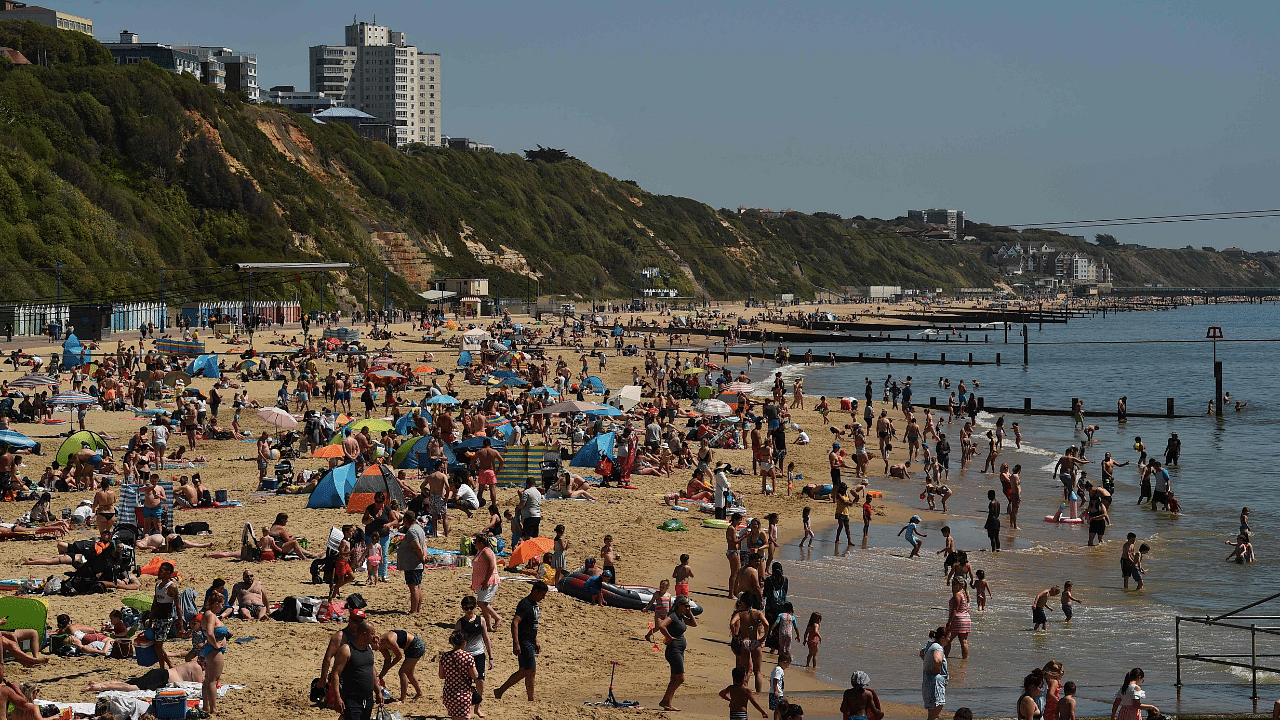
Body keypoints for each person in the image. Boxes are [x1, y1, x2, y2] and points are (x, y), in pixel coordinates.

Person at [493, 580, 548, 702]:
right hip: (523, 641)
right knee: (531, 670)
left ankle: (500, 691)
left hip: (530, 640)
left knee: (524, 671)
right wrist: (516, 643)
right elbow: (515, 623)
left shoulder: (535, 605)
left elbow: (532, 625)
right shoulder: (525, 604)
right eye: (542, 595)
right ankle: (531, 699)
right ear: (535, 591)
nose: (543, 598)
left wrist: (536, 641)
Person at [330, 620, 384, 720]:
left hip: (368, 699)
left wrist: (378, 691)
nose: (375, 636)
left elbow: (372, 670)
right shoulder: (346, 650)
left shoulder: (368, 648)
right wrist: (337, 698)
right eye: (372, 634)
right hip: (352, 699)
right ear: (364, 634)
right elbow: (335, 674)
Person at [657, 595, 698, 711]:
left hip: (679, 650)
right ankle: (665, 700)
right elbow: (661, 626)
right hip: (673, 650)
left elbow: (694, 624)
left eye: (688, 606)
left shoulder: (680, 616)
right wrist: (669, 637)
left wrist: (689, 612)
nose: (687, 608)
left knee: (674, 677)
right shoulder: (673, 616)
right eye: (686, 606)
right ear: (679, 605)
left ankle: (668, 703)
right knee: (680, 678)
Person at [457, 596, 492, 717]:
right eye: (466, 608)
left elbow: (486, 638)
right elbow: (456, 642)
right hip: (465, 656)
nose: (469, 610)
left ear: (475, 607)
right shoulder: (460, 623)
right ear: (463, 608)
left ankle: (477, 708)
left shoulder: (481, 620)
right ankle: (467, 709)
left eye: (471, 608)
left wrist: (491, 657)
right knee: (465, 684)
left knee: (480, 682)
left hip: (479, 654)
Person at [83, 658, 205, 692]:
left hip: (161, 673)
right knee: (132, 688)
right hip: (163, 678)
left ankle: (99, 684)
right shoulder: (197, 667)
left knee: (131, 683)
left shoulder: (191, 663)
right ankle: (100, 687)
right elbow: (200, 685)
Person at [200, 592, 230, 716]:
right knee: (213, 680)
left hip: (210, 649)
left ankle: (207, 706)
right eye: (222, 604)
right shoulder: (211, 615)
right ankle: (213, 708)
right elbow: (210, 632)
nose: (222, 607)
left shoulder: (207, 614)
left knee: (207, 679)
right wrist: (216, 645)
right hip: (214, 650)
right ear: (216, 603)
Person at [439, 628, 479, 719]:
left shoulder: (444, 656)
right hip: (463, 694)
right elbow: (475, 675)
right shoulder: (468, 657)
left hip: (448, 694)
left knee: (454, 717)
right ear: (464, 643)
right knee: (464, 716)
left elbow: (441, 676)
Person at [378, 629, 425, 703]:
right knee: (409, 673)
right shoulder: (380, 645)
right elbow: (387, 660)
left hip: (416, 645)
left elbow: (399, 656)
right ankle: (419, 693)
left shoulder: (388, 640)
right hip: (409, 648)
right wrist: (381, 675)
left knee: (402, 672)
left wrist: (389, 667)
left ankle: (403, 698)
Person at [471, 534, 502, 630]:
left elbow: (492, 566)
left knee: (482, 603)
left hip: (489, 581)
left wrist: (486, 580)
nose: (474, 544)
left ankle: (497, 617)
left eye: (475, 542)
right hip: (482, 581)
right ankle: (489, 626)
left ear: (481, 543)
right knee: (484, 605)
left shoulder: (486, 551)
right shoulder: (480, 551)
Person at [398, 511, 427, 614]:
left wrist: (422, 558)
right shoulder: (419, 528)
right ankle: (417, 609)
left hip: (413, 563)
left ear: (406, 520)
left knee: (413, 587)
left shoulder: (412, 530)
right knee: (418, 586)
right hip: (417, 562)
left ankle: (414, 610)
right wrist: (424, 557)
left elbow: (417, 547)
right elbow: (424, 546)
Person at [921, 626, 949, 720]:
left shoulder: (930, 645)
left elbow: (921, 653)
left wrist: (927, 663)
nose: (949, 640)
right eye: (948, 638)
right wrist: (937, 669)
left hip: (928, 684)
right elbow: (937, 660)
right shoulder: (938, 647)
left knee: (933, 715)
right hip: (936, 684)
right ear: (943, 638)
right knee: (935, 713)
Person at [770, 653, 791, 720]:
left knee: (777, 709)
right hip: (776, 692)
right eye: (788, 664)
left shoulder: (776, 669)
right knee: (779, 709)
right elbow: (775, 680)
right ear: (784, 662)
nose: (787, 666)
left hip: (775, 692)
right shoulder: (779, 670)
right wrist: (776, 690)